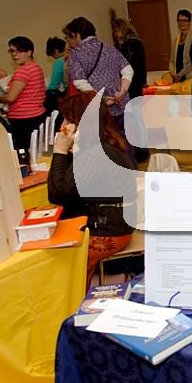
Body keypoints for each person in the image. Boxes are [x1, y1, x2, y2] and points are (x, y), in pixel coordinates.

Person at [48, 91, 136, 286]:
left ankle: (75, 298)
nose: (62, 126)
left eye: (67, 120)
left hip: (107, 231)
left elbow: (57, 193)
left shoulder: (95, 154)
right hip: (114, 224)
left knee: (52, 261)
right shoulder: (105, 146)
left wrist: (60, 151)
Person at [62, 16, 134, 133]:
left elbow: (79, 82)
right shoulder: (110, 48)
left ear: (76, 35)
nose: (69, 41)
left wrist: (100, 98)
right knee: (125, 138)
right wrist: (122, 91)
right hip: (121, 104)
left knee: (107, 140)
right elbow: (128, 70)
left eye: (69, 37)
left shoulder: (76, 54)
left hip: (99, 110)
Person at [0, 36, 47, 153]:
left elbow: (11, 97)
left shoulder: (23, 71)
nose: (14, 54)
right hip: (37, 114)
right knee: (33, 152)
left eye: (19, 51)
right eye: (12, 51)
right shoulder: (36, 67)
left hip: (23, 118)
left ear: (29, 52)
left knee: (22, 153)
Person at [110, 14, 147, 99]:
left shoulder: (131, 44)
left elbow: (126, 63)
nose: (115, 34)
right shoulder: (135, 41)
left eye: (116, 31)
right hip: (137, 80)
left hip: (133, 81)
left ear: (121, 29)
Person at [170, 9, 192, 82]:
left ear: (189, 22)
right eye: (179, 20)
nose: (181, 23)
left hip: (189, 77)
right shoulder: (175, 40)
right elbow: (172, 60)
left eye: (184, 20)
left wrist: (180, 74)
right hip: (176, 78)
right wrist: (173, 73)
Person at [45, 37, 68, 114]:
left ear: (56, 51)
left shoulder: (59, 62)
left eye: (52, 55)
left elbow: (54, 85)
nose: (54, 57)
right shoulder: (73, 57)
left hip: (71, 93)